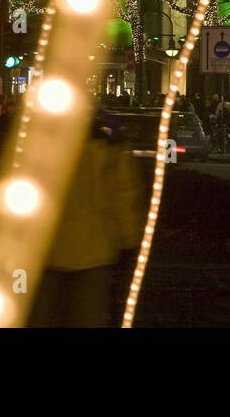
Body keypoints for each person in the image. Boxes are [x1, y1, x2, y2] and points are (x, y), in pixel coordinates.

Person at [30, 112, 142, 327]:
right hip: (94, 254)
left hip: (47, 252)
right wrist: (128, 243)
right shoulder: (110, 151)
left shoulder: (40, 150)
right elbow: (123, 198)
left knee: (41, 316)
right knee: (88, 317)